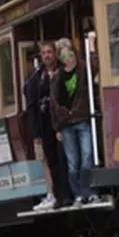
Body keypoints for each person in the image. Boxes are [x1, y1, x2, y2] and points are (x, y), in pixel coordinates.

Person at [51, 37, 99, 205]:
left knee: (87, 157)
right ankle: (78, 194)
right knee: (73, 163)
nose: (67, 58)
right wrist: (57, 127)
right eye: (63, 56)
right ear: (60, 58)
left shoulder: (82, 68)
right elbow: (54, 103)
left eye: (69, 54)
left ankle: (89, 191)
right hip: (66, 125)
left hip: (82, 119)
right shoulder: (57, 77)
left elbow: (95, 67)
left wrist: (92, 46)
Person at [24, 41, 69, 210]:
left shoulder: (63, 71)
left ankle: (67, 194)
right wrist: (36, 133)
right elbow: (32, 105)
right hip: (46, 125)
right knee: (52, 162)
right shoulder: (37, 77)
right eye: (44, 53)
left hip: (64, 124)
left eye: (50, 52)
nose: (47, 56)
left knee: (66, 159)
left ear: (55, 53)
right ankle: (57, 195)